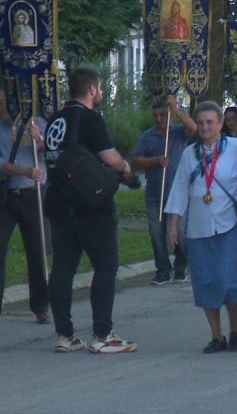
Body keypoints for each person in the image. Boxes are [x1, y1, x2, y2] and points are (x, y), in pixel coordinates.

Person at [44, 68, 137, 354]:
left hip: (59, 204)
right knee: (105, 266)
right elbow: (109, 157)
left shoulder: (55, 120)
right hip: (91, 206)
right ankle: (102, 333)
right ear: (93, 89)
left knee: (62, 268)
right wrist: (125, 168)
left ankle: (65, 334)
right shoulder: (90, 119)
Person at [165, 101, 237, 354]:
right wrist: (173, 225)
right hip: (198, 229)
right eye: (200, 123)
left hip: (228, 225)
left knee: (229, 280)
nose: (205, 127)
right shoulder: (191, 154)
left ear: (220, 123)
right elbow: (179, 189)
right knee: (206, 281)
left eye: (210, 122)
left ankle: (234, 326)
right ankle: (216, 335)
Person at [131, 95, 197, 285]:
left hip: (178, 193)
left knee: (180, 232)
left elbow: (193, 128)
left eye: (162, 115)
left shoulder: (177, 132)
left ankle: (182, 264)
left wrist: (175, 109)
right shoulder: (148, 136)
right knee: (156, 232)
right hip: (155, 193)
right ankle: (162, 270)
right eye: (155, 116)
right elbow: (135, 161)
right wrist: (156, 160)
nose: (159, 119)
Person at [0, 89, 49, 324]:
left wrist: (38, 137)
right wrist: (24, 171)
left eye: (3, 102)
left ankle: (40, 305)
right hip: (7, 194)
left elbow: (52, 147)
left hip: (31, 194)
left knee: (37, 250)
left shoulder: (35, 121)